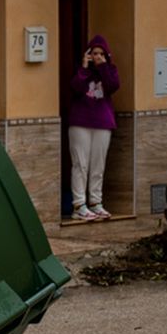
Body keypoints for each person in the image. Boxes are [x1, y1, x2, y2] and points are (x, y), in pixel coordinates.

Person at [67, 35, 119, 222]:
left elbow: (113, 86)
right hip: (80, 122)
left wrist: (103, 66)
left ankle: (96, 203)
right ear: (88, 54)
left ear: (106, 55)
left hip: (103, 122)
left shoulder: (110, 70)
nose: (97, 56)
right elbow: (76, 87)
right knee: (80, 164)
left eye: (101, 53)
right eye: (94, 53)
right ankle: (79, 205)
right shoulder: (82, 70)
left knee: (98, 164)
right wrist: (84, 67)